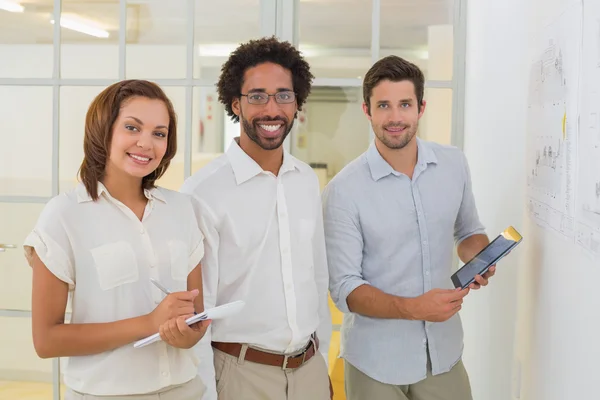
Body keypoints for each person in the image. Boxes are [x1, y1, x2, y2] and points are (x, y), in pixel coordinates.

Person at [322, 55, 496, 400]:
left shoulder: (453, 164)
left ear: (421, 107)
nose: (395, 117)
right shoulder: (343, 191)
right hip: (375, 363)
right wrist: (415, 308)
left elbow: (468, 231)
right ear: (367, 111)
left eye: (405, 104)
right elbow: (345, 289)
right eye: (383, 105)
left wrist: (480, 257)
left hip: (444, 353)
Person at [24, 80, 210, 400]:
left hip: (185, 390)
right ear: (103, 130)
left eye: (159, 133)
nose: (146, 143)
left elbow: (195, 316)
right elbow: (46, 340)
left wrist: (185, 334)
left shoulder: (182, 209)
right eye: (131, 127)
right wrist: (149, 323)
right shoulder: (64, 215)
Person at [181, 36, 332, 400]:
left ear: (297, 103)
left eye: (283, 95)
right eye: (257, 95)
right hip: (240, 375)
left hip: (309, 370)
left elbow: (316, 277)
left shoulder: (306, 180)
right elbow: (197, 309)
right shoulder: (202, 193)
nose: (271, 109)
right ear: (236, 103)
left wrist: (321, 360)